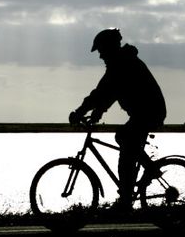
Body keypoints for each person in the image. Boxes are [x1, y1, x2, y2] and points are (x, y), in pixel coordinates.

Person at [69, 28, 167, 210]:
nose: (100, 56)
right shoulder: (122, 63)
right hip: (145, 111)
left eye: (100, 51)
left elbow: (103, 92)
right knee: (124, 139)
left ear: (109, 47)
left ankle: (126, 198)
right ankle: (143, 175)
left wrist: (80, 112)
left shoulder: (122, 64)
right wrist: (97, 112)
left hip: (149, 112)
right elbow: (109, 93)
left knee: (125, 142)